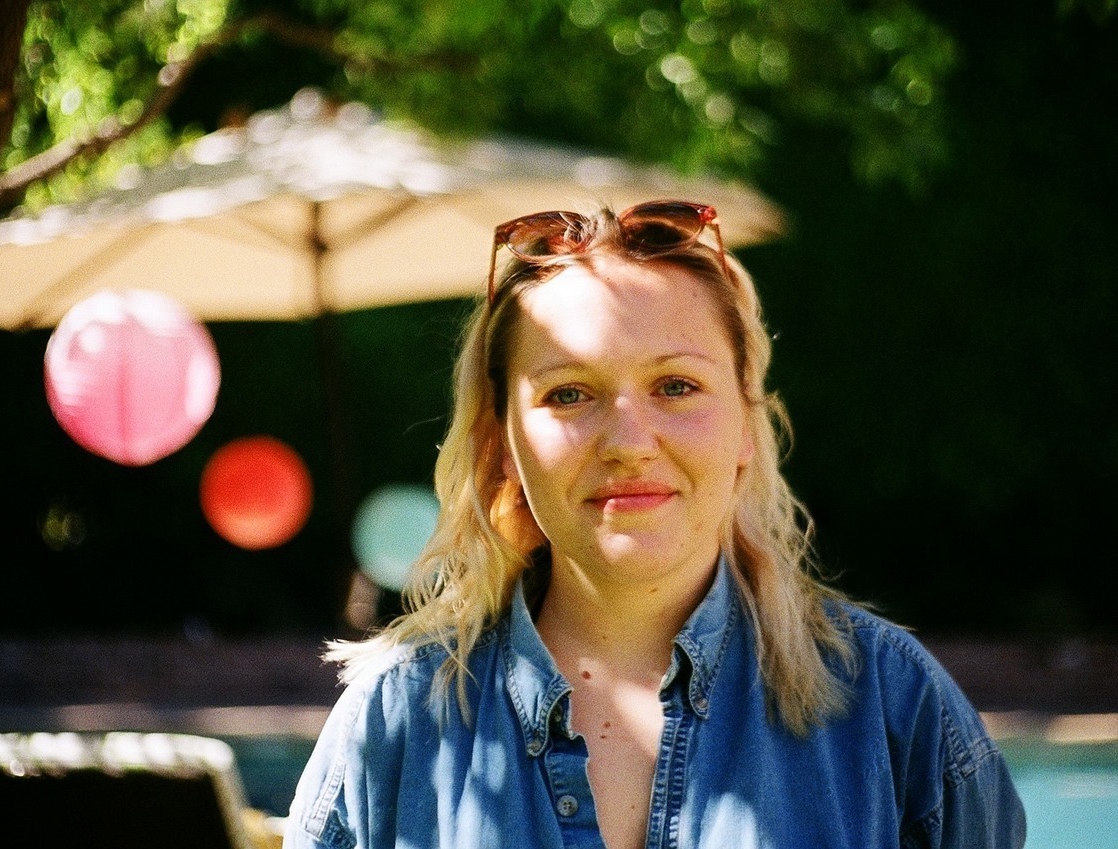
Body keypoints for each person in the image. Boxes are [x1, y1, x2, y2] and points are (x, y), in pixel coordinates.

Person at [283, 200, 1026, 849]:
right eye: (569, 393)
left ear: (746, 425)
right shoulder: (394, 723)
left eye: (676, 385)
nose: (630, 442)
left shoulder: (895, 708)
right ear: (500, 443)